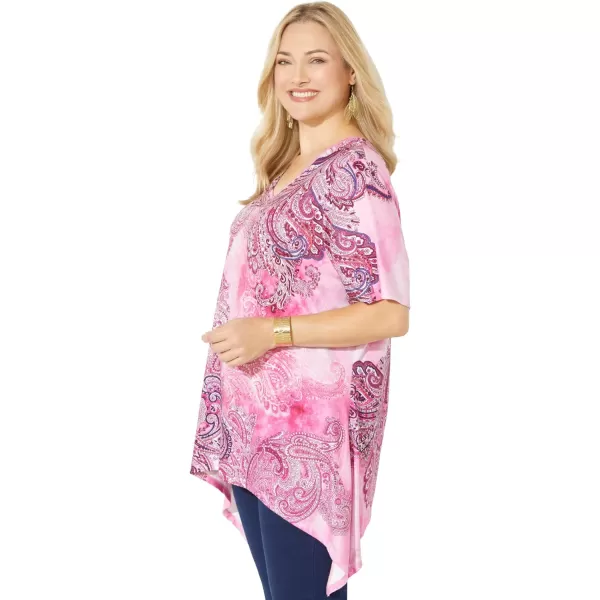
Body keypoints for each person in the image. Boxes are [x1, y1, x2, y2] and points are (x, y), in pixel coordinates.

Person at [190, 2, 411, 598]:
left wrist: (272, 332)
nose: (298, 76)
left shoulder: (355, 171)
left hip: (307, 439)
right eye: (285, 61)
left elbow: (390, 313)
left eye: (316, 60)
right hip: (252, 426)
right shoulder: (285, 168)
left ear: (350, 72)